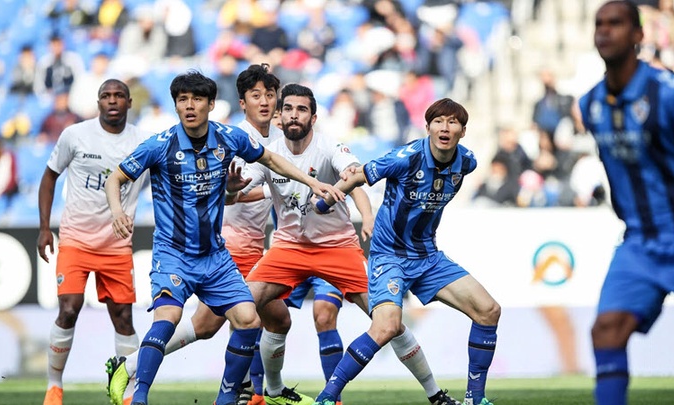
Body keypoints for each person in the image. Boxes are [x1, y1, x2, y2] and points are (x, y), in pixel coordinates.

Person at [104, 70, 343, 405]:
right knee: (173, 320)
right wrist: (118, 212)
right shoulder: (159, 145)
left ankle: (233, 398)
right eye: (182, 100)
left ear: (211, 104)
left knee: (249, 320)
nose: (190, 106)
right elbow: (115, 178)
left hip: (215, 256)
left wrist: (310, 182)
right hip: (175, 252)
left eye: (197, 99)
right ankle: (138, 393)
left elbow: (273, 160)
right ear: (175, 106)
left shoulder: (229, 139)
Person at [242, 84, 461, 405]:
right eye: (288, 108)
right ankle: (267, 391)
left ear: (313, 117)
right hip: (288, 249)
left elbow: (355, 180)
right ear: (279, 115)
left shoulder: (331, 147)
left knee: (389, 321)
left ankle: (435, 394)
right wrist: (232, 191)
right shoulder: (270, 156)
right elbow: (238, 192)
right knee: (241, 304)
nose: (294, 115)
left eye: (302, 109)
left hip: (338, 249)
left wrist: (368, 216)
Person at [311, 98, 501, 405]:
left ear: (462, 132)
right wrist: (325, 203)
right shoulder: (405, 157)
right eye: (438, 121)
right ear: (427, 127)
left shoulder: (467, 162)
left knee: (489, 310)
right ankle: (327, 397)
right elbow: (358, 175)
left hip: (428, 257)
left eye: (453, 122)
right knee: (386, 326)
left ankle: (474, 399)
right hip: (389, 256)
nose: (445, 127)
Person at [578, 2, 674, 404]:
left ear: (639, 36)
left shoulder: (672, 96)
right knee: (607, 329)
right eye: (599, 24)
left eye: (616, 24)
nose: (605, 31)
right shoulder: (590, 104)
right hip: (640, 242)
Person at [37, 79, 153, 405]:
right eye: (106, 96)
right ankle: (54, 386)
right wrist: (45, 227)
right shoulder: (76, 135)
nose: (112, 101)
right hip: (75, 239)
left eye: (119, 96)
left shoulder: (144, 142)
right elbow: (49, 177)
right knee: (69, 308)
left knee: (124, 318)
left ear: (130, 102)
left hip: (117, 244)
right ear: (98, 102)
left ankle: (127, 393)